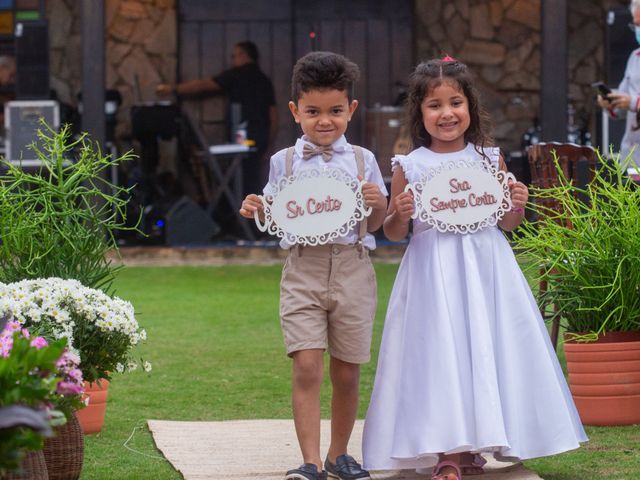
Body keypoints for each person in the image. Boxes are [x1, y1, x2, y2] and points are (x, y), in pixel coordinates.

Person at [362, 58, 587, 480]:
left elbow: (506, 222)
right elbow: (394, 232)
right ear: (420, 112)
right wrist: (399, 211)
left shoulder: (489, 159)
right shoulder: (409, 166)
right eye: (435, 105)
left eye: (455, 102)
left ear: (470, 106)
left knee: (484, 348)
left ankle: (477, 443)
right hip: (433, 271)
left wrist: (516, 203)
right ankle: (447, 449)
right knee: (440, 353)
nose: (446, 113)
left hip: (487, 267)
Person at [239, 51, 388, 480]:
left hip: (353, 268)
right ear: (295, 111)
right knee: (306, 363)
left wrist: (376, 204)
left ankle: (339, 454)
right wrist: (255, 207)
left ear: (351, 109)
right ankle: (308, 461)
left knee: (347, 368)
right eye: (313, 111)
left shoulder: (364, 161)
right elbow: (273, 212)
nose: (325, 121)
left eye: (336, 111)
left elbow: (374, 224)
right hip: (302, 267)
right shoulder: (283, 162)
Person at [157, 41, 278, 197]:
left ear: (243, 55)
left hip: (242, 140)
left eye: (234, 56)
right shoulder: (264, 80)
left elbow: (204, 85)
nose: (232, 60)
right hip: (260, 139)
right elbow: (274, 116)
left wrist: (173, 88)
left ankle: (243, 217)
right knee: (253, 180)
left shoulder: (237, 74)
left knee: (243, 182)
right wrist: (269, 144)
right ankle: (252, 217)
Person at [597, 0, 640, 168]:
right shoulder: (634, 58)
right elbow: (622, 111)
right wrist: (611, 103)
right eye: (635, 25)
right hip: (632, 159)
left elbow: (631, 102)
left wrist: (633, 102)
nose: (637, 30)